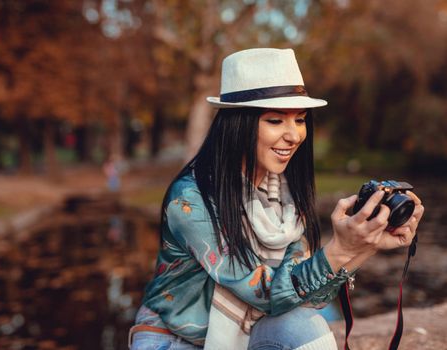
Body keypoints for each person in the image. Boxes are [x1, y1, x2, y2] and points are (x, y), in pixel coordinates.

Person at [128, 48, 424, 350]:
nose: (294, 135)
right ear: (237, 124)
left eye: (300, 120)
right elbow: (267, 293)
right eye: (275, 120)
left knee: (305, 325)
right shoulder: (192, 200)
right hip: (174, 340)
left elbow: (307, 295)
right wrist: (339, 249)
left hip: (246, 331)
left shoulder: (285, 197)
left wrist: (365, 244)